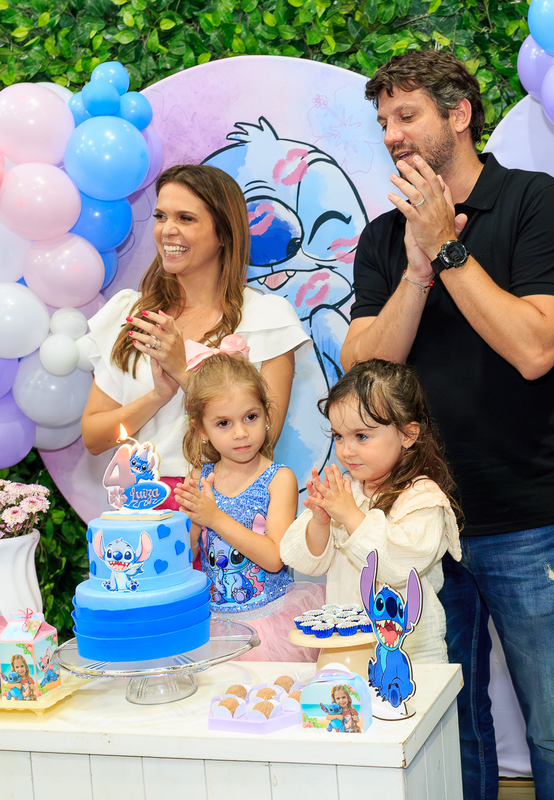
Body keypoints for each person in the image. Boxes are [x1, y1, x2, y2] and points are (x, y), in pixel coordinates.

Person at [339, 50, 554, 799]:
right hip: (417, 523)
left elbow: (534, 349)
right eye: (384, 121)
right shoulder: (384, 239)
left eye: (407, 115)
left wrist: (448, 248)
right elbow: (364, 369)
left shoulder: (535, 202)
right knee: (450, 721)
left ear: (459, 115)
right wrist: (417, 270)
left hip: (526, 516)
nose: (392, 133)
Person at [81, 164, 310, 507]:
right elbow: (95, 438)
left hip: (227, 509)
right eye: (161, 217)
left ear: (224, 233)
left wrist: (183, 372)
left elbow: (263, 439)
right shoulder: (131, 314)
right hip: (142, 509)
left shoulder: (266, 318)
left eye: (186, 218)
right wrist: (157, 397)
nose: (167, 230)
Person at [280, 358, 461, 666]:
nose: (346, 450)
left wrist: (350, 516)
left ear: (408, 435)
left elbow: (400, 567)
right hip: (347, 654)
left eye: (361, 436)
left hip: (409, 660)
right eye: (338, 436)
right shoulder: (345, 491)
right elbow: (303, 560)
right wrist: (321, 523)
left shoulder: (423, 499)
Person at [174, 350, 323, 661]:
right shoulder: (200, 478)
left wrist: (213, 517)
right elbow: (186, 557)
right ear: (201, 429)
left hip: (268, 628)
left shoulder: (278, 479)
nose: (241, 433)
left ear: (266, 415)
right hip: (215, 626)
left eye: (250, 417)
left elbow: (274, 558)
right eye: (223, 423)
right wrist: (193, 523)